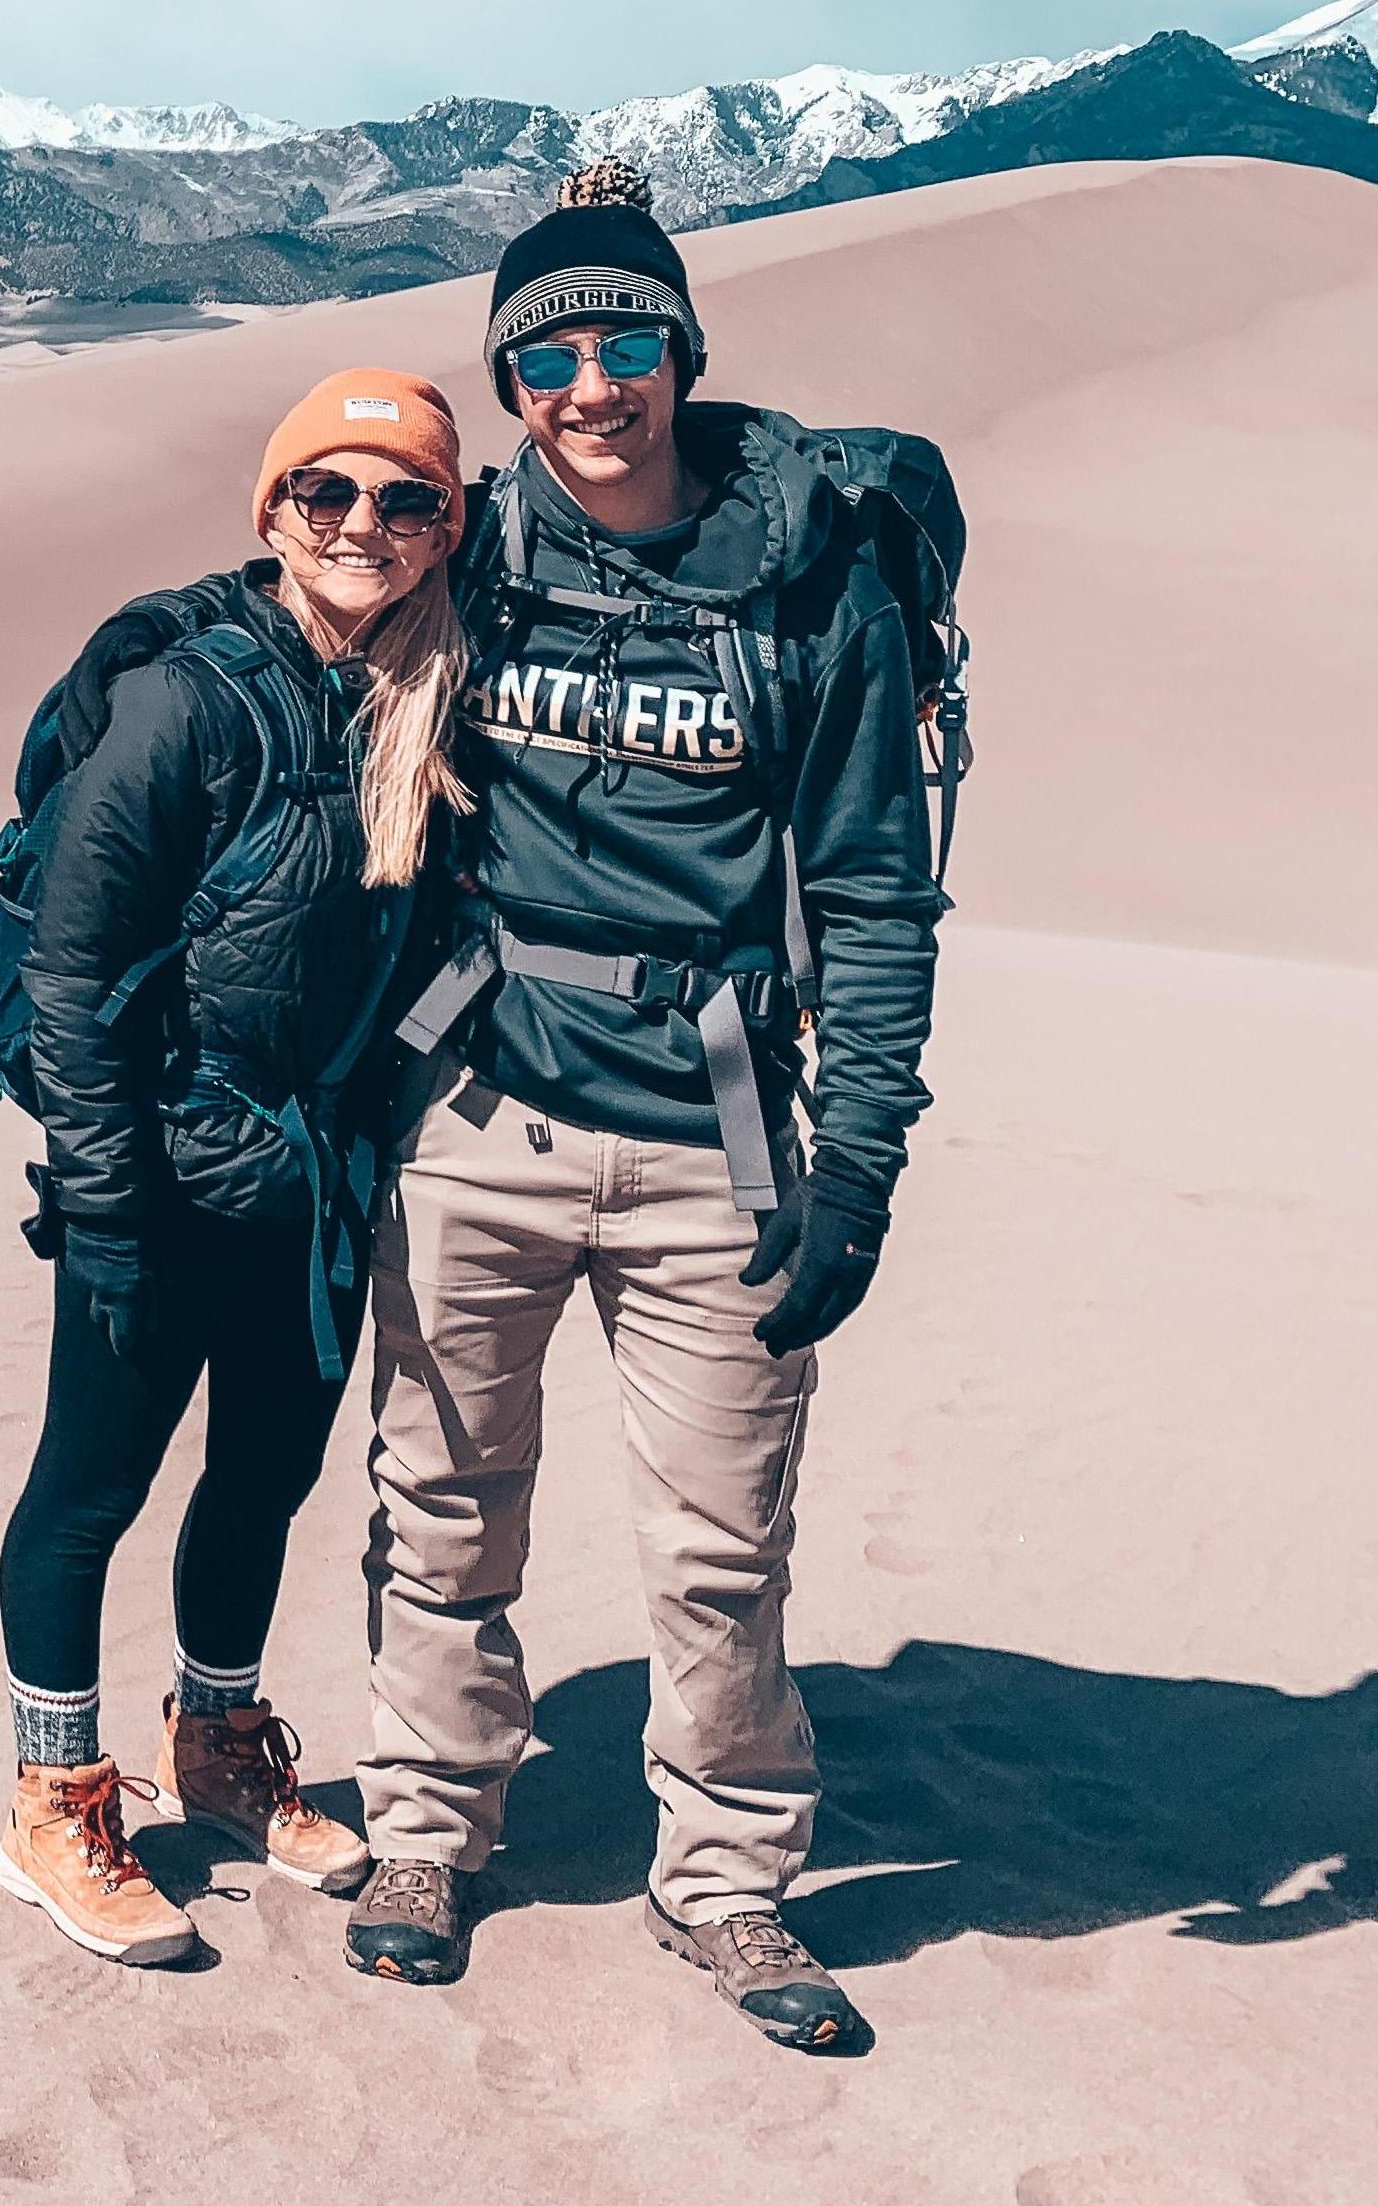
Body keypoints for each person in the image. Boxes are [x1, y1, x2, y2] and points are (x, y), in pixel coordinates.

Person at [346, 163, 942, 2054]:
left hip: (717, 1136)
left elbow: (868, 887)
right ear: (507, 381)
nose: (588, 387)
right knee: (437, 1505)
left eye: (621, 344)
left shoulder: (812, 582)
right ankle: (429, 1831)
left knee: (717, 1542)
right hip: (482, 1112)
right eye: (544, 356)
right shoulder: (470, 545)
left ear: (681, 350)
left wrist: (862, 1160)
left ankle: (732, 1883)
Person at [0, 369, 474, 1966]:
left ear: (444, 527)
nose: (364, 527)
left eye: (406, 499)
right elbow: (70, 977)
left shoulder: (428, 694)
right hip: (164, 1168)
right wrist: (112, 1204)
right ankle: (53, 1808)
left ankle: (217, 1747)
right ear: (273, 512)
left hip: (313, 1180)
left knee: (261, 1480)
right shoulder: (187, 701)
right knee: (90, 1494)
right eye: (327, 494)